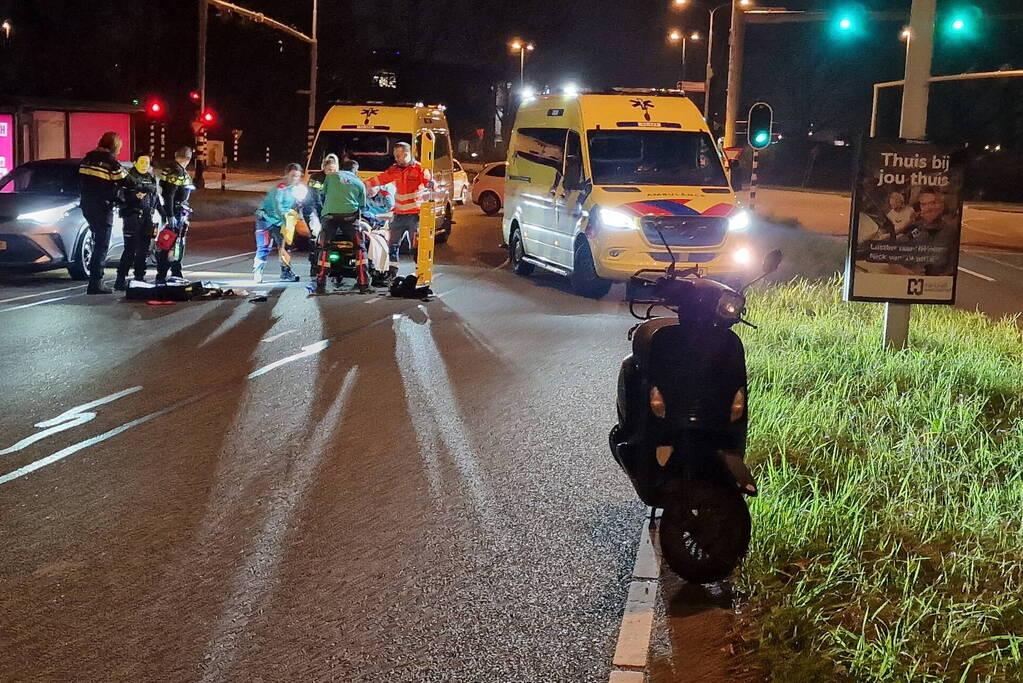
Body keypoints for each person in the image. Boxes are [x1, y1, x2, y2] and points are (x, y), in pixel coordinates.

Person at [365, 142, 432, 280]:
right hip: (399, 215)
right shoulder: (394, 170)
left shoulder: (419, 169)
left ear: (407, 154)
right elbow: (380, 179)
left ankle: (420, 273)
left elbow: (429, 183)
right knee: (393, 245)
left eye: (399, 156)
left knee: (417, 247)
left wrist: (432, 185)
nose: (397, 159)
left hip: (415, 215)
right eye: (396, 156)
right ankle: (392, 271)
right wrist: (363, 184)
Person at [78, 132, 127, 294]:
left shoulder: (88, 159)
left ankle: (95, 280)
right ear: (114, 146)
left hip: (87, 205)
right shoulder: (111, 162)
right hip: (103, 207)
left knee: (96, 241)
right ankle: (96, 283)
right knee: (101, 245)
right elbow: (126, 181)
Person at [315, 158, 368, 293]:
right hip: (350, 218)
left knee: (324, 246)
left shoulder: (332, 177)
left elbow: (322, 192)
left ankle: (321, 281)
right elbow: (362, 205)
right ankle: (363, 282)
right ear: (356, 171)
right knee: (359, 247)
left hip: (330, 216)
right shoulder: (359, 183)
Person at [254, 163, 312, 283]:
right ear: (286, 175)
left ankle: (286, 271)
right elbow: (277, 206)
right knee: (263, 246)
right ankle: (258, 271)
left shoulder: (298, 189)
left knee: (284, 246)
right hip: (266, 218)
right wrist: (284, 220)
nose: (294, 178)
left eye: (297, 176)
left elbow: (298, 205)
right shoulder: (280, 188)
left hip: (282, 220)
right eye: (292, 175)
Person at [114, 153, 161, 290]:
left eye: (147, 163)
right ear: (135, 162)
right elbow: (121, 197)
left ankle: (139, 278)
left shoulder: (150, 178)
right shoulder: (128, 178)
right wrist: (134, 196)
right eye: (142, 162)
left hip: (147, 218)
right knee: (130, 250)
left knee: (143, 251)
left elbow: (155, 199)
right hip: (132, 218)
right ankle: (120, 279)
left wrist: (166, 215)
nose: (145, 165)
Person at [156, 147, 194, 283]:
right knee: (173, 243)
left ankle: (170, 272)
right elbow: (169, 194)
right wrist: (170, 215)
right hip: (176, 213)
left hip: (177, 211)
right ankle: (169, 273)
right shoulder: (176, 171)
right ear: (188, 158)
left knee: (172, 244)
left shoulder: (172, 168)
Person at [904, 189, 959, 276]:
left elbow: (952, 267)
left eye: (933, 203)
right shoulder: (913, 229)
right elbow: (896, 256)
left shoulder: (951, 233)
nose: (929, 208)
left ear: (942, 206)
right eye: (924, 204)